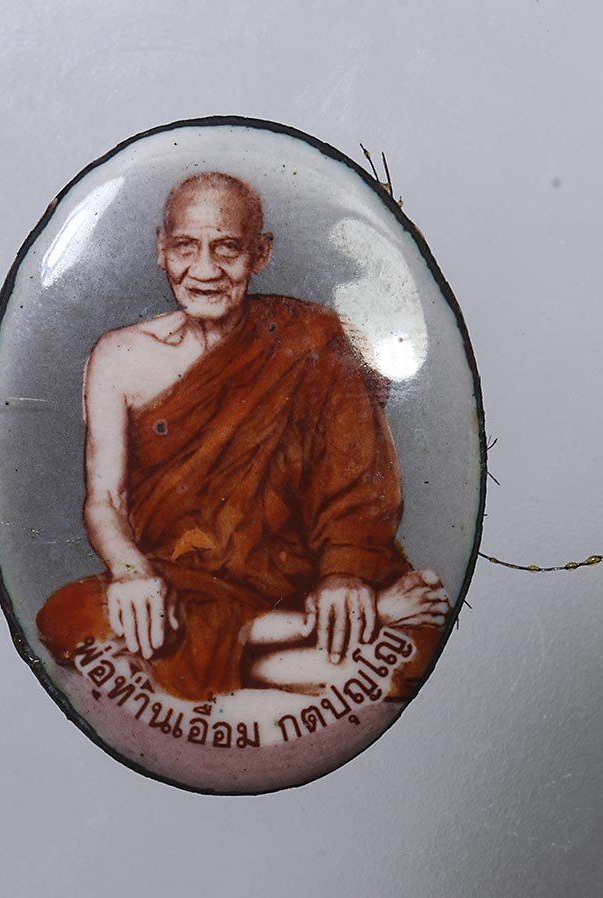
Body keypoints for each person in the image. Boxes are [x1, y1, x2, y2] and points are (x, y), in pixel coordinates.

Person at [37, 172, 449, 701]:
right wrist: (130, 570)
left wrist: (345, 576)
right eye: (186, 246)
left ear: (260, 253)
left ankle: (246, 653)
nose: (205, 270)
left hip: (297, 582)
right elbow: (105, 498)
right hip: (182, 587)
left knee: (421, 648)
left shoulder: (312, 341)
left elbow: (358, 480)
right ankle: (285, 654)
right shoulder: (118, 356)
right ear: (161, 249)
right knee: (67, 617)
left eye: (227, 248)